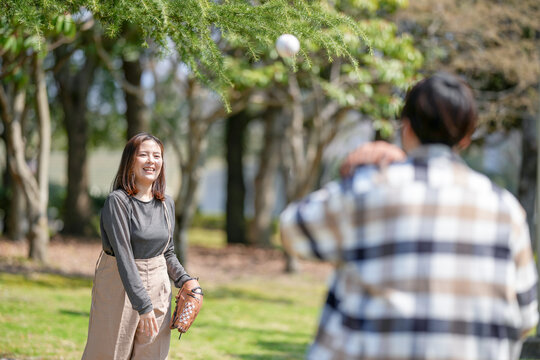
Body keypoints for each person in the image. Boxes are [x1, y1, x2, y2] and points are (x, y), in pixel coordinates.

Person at [279, 72, 538, 360]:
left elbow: (292, 229)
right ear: (466, 137)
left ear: (407, 127)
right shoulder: (506, 209)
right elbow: (527, 317)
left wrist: (358, 173)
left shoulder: (369, 189)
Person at [82, 133, 199, 360]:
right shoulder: (118, 201)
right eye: (143, 155)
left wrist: (186, 280)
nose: (151, 161)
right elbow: (124, 257)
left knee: (152, 355)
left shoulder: (166, 203)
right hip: (118, 284)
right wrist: (143, 306)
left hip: (158, 284)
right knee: (108, 354)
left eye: (157, 156)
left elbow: (167, 251)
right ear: (130, 161)